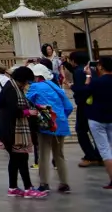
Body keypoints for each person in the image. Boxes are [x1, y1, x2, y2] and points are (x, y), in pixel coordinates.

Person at [0, 65, 42, 197]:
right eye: (26, 81)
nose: (27, 84)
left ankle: (13, 187)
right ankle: (28, 188)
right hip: (11, 130)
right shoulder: (11, 89)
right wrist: (28, 112)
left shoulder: (14, 87)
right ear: (22, 79)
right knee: (21, 157)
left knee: (15, 159)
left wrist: (34, 107)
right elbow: (12, 110)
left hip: (11, 129)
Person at [25, 61, 72, 193]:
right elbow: (68, 107)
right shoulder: (56, 86)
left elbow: (26, 101)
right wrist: (60, 118)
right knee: (60, 154)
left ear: (36, 76)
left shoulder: (35, 87)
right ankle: (64, 183)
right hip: (60, 124)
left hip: (45, 125)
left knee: (43, 154)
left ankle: (44, 183)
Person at [70, 50, 103, 169]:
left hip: (84, 105)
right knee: (94, 130)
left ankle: (90, 156)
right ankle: (99, 155)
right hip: (94, 104)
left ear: (74, 61)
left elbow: (81, 89)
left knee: (81, 130)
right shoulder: (92, 71)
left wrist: (72, 87)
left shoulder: (79, 71)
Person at [86, 54, 112, 189]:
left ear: (100, 66)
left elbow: (84, 92)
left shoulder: (96, 82)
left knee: (104, 149)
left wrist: (88, 76)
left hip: (97, 118)